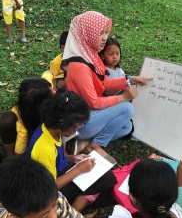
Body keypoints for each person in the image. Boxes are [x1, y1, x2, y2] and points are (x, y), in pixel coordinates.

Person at [61, 11, 151, 157]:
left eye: (105, 32)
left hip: (92, 116)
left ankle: (86, 144)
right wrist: (123, 98)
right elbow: (94, 102)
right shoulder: (79, 66)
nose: (105, 38)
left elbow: (105, 82)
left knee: (127, 126)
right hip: (81, 122)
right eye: (100, 33)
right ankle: (96, 144)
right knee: (127, 109)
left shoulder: (90, 56)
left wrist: (131, 79)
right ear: (87, 33)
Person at [26, 89, 117, 211]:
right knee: (104, 178)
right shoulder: (44, 148)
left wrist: (74, 158)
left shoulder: (52, 130)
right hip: (45, 191)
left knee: (101, 174)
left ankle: (78, 202)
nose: (78, 128)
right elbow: (50, 187)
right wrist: (79, 169)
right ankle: (73, 212)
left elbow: (59, 157)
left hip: (58, 173)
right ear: (62, 122)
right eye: (75, 126)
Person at [0, 77, 53, 158]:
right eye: (51, 94)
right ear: (42, 103)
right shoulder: (23, 124)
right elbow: (19, 152)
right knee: (7, 120)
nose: (55, 92)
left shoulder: (43, 87)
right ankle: (9, 154)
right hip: (30, 132)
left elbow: (48, 72)